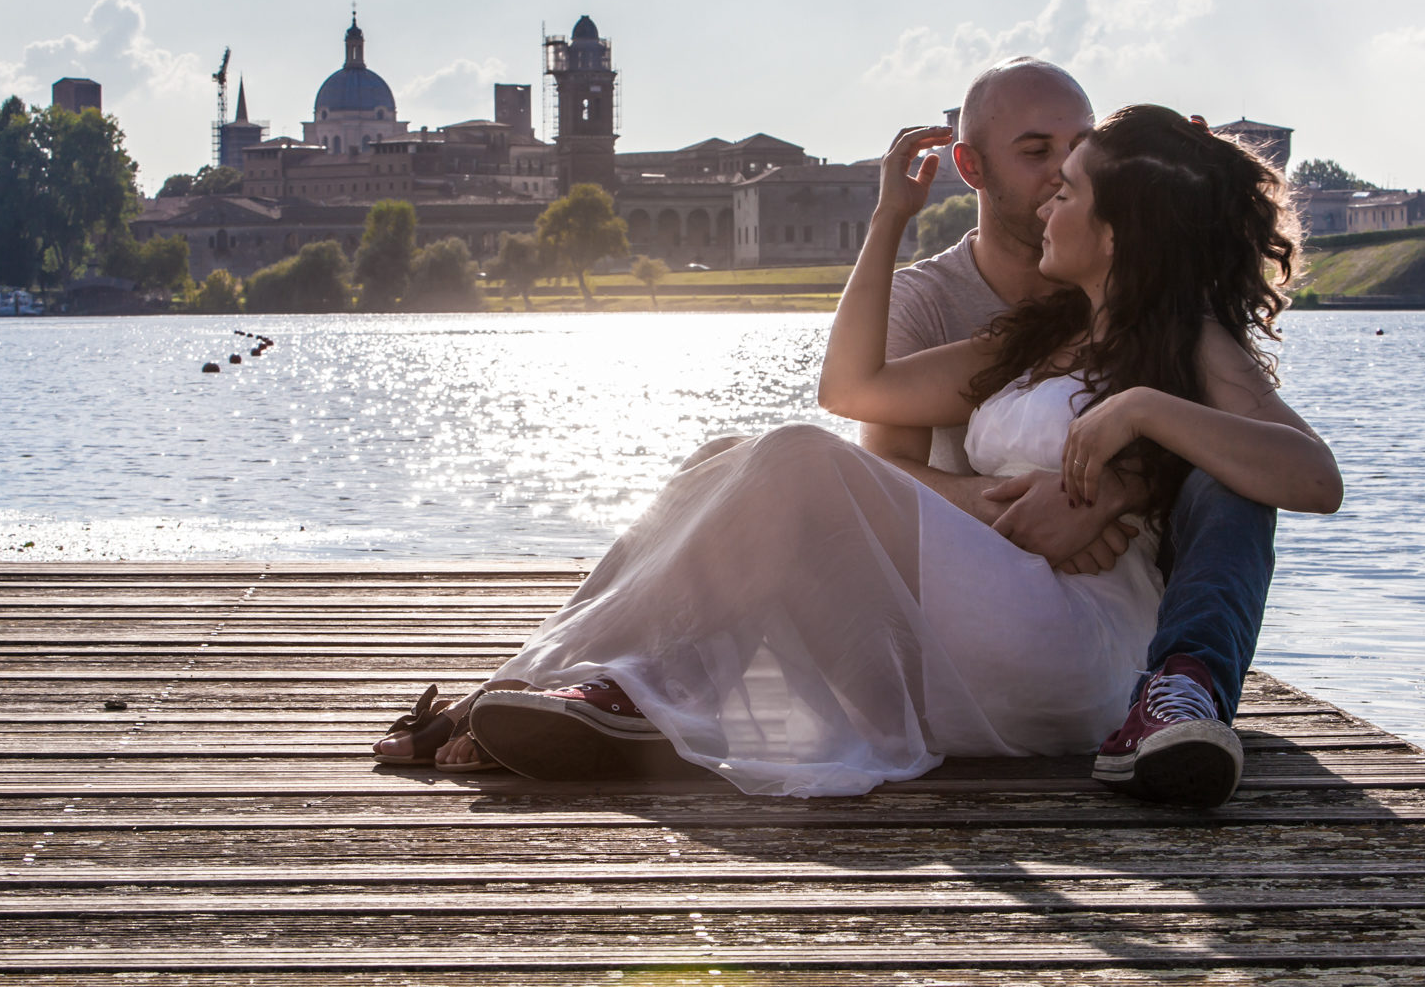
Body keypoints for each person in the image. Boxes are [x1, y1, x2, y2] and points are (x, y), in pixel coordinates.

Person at [375, 102, 1341, 804]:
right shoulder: (1040, 336)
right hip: (987, 618)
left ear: (1121, 229)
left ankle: (620, 684)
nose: (1049, 202)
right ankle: (543, 687)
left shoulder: (1191, 345)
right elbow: (853, 391)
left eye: (1071, 190)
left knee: (795, 455)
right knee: (727, 452)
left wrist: (1141, 416)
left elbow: (1313, 479)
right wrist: (888, 221)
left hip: (1077, 651)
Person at [862, 58, 1289, 806]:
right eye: (1037, 154)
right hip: (978, 581)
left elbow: (1288, 467)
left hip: (1112, 601)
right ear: (972, 167)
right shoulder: (989, 321)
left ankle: (1182, 686)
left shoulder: (1171, 322)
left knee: (1233, 475)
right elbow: (874, 457)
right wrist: (1025, 508)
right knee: (752, 463)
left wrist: (1119, 476)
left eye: (1081, 155)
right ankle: (634, 673)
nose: (1060, 175)